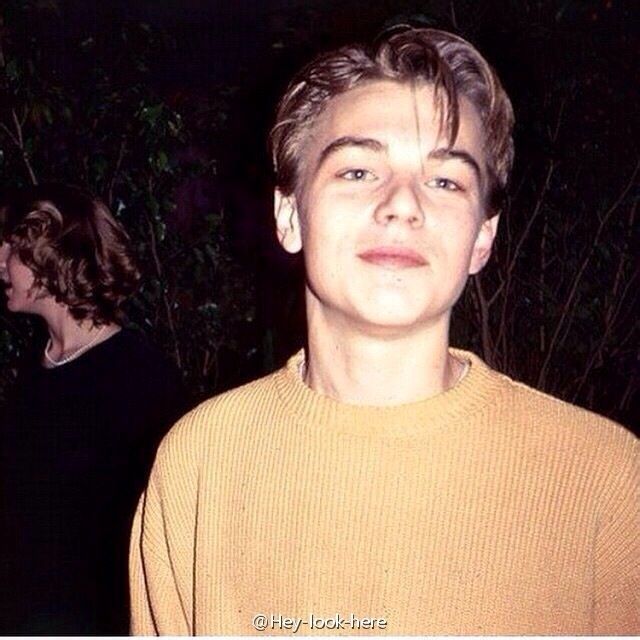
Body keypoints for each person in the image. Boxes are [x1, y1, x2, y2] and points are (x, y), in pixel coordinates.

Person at [129, 27, 639, 635]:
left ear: (483, 237)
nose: (403, 204)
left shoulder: (606, 483)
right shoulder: (199, 464)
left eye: (445, 181)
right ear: (290, 215)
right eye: (358, 171)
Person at [0, 184, 188, 634]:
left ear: (53, 259)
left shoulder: (139, 379)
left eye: (11, 249)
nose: (0, 262)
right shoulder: (41, 363)